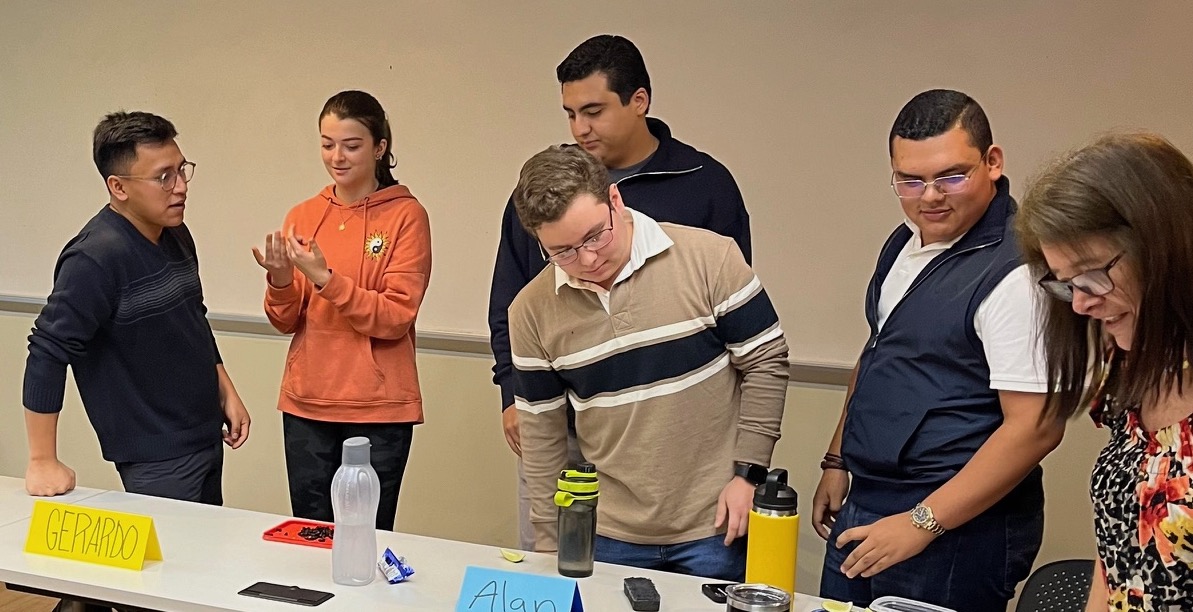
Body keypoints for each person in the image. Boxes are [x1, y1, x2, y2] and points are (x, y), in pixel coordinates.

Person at [489, 33, 752, 550]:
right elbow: (511, 306)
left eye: (593, 110)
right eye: (569, 114)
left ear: (639, 101)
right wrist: (510, 394)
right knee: (562, 557)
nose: (579, 128)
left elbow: (739, 316)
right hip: (562, 415)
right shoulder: (544, 196)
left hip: (679, 444)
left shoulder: (704, 184)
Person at [812, 89, 1064, 610]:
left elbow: (1036, 426)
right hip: (869, 494)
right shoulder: (905, 241)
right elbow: (880, 349)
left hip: (955, 525)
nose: (930, 197)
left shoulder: (1017, 272)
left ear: (993, 163)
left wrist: (923, 522)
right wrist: (837, 460)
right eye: (910, 180)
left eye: (951, 176)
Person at [508, 145, 788, 581]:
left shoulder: (708, 258)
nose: (587, 259)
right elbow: (543, 440)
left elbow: (767, 362)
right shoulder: (531, 311)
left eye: (595, 235)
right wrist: (550, 542)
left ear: (615, 200)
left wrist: (749, 475)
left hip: (714, 524)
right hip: (607, 532)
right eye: (562, 251)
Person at [24, 111, 250, 504]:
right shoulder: (94, 259)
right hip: (155, 455)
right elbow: (47, 351)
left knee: (207, 561)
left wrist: (224, 387)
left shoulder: (175, 233)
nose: (180, 187)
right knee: (176, 561)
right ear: (119, 187)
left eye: (182, 171)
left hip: (205, 433)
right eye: (164, 177)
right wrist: (43, 460)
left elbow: (192, 317)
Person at [1015, 132, 1193, 610]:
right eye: (1065, 284)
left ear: (1165, 246)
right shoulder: (1130, 370)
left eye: (1094, 275)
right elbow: (1116, 553)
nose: (1081, 303)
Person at [252, 90, 431, 531]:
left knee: (364, 535)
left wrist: (325, 279)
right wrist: (279, 277)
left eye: (351, 145)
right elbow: (284, 320)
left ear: (379, 148)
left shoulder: (406, 216)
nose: (337, 156)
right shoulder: (304, 214)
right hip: (306, 403)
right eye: (327, 143)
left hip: (377, 409)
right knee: (311, 536)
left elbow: (394, 317)